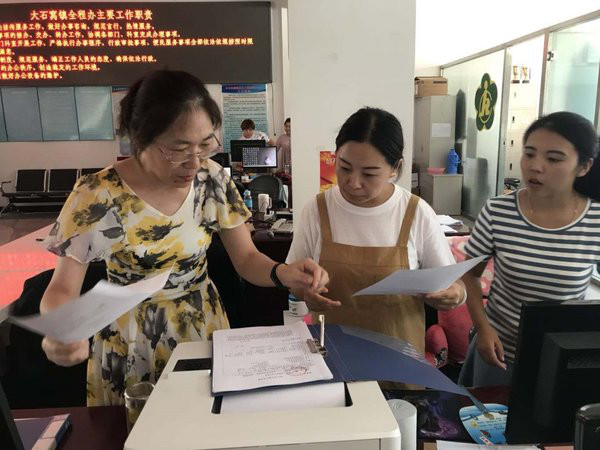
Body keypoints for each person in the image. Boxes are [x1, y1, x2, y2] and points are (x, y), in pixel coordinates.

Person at [40, 70, 329, 406]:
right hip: (131, 338)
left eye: (204, 145)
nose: (194, 162)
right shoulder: (96, 193)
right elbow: (61, 288)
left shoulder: (212, 179)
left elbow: (247, 259)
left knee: (205, 422)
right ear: (140, 137)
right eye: (178, 149)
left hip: (200, 326)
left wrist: (283, 273)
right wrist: (60, 328)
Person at [286, 107, 466, 358]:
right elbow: (293, 279)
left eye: (369, 174)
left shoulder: (415, 212)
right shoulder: (317, 210)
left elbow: (453, 286)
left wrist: (454, 295)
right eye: (344, 167)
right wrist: (305, 292)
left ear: (395, 168)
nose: (353, 182)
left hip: (399, 360)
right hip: (333, 357)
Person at [459, 111, 600, 387]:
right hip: (498, 352)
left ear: (584, 167)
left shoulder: (595, 219)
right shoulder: (499, 211)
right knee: (487, 414)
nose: (535, 166)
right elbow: (470, 274)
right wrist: (483, 329)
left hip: (559, 357)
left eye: (553, 159)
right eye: (529, 154)